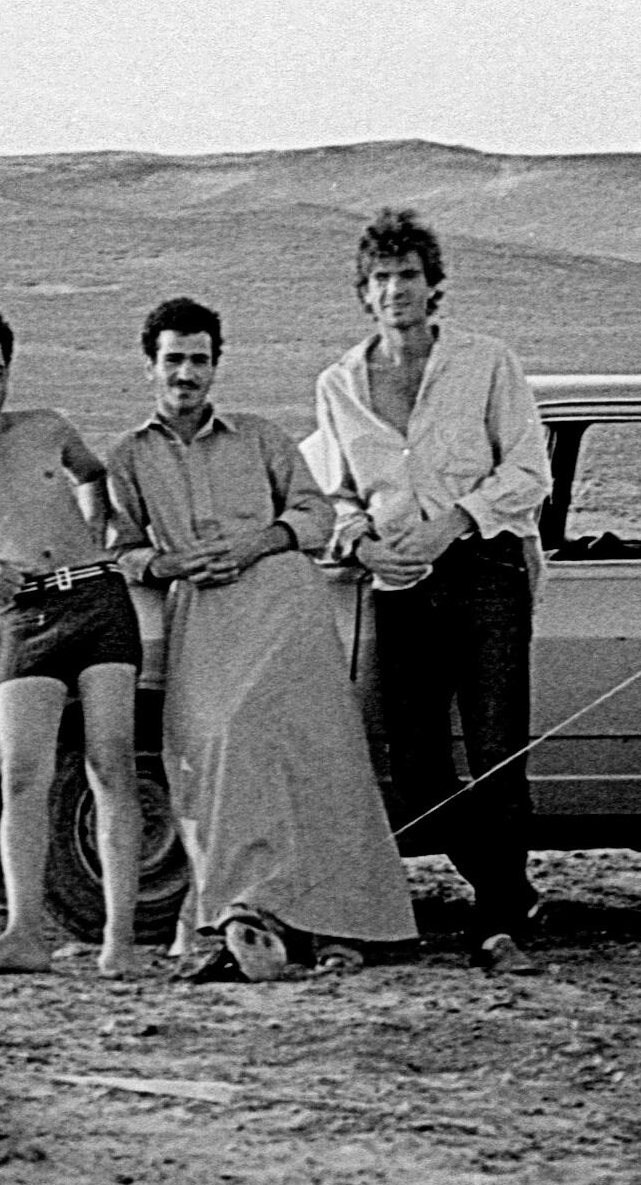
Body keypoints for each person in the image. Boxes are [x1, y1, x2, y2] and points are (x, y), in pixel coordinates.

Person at [104, 298, 418, 982]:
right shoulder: (128, 456)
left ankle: (335, 926)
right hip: (205, 614)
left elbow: (311, 513)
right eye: (174, 360)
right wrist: (173, 564)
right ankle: (237, 914)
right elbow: (123, 548)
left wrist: (254, 545)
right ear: (150, 365)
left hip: (282, 605)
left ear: (216, 365)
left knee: (313, 753)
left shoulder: (259, 437)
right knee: (212, 746)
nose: (187, 373)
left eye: (199, 359)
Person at [305, 209, 554, 942]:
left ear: (433, 285)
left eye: (407, 276)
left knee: (497, 751)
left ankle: (498, 921)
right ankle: (508, 886)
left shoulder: (485, 361)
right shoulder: (339, 384)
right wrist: (360, 543)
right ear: (363, 292)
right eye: (380, 279)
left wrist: (456, 521)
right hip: (400, 581)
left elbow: (529, 470)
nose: (394, 291)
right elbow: (336, 490)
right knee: (414, 770)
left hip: (484, 570)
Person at [0, 304, 151, 978]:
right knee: (22, 775)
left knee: (111, 765)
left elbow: (94, 473)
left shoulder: (47, 429)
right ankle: (24, 934)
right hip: (28, 622)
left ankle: (120, 942)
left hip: (99, 605)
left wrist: (102, 527)